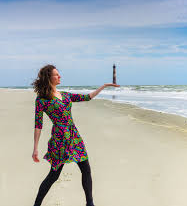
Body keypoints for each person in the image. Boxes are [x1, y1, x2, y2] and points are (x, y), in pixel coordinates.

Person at [31, 64, 120, 206]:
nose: (59, 76)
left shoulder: (66, 95)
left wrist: (104, 86)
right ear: (49, 77)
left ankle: (90, 203)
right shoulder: (42, 100)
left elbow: (87, 97)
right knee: (53, 176)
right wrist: (35, 148)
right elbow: (38, 125)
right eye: (56, 74)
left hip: (74, 137)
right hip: (59, 140)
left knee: (86, 169)